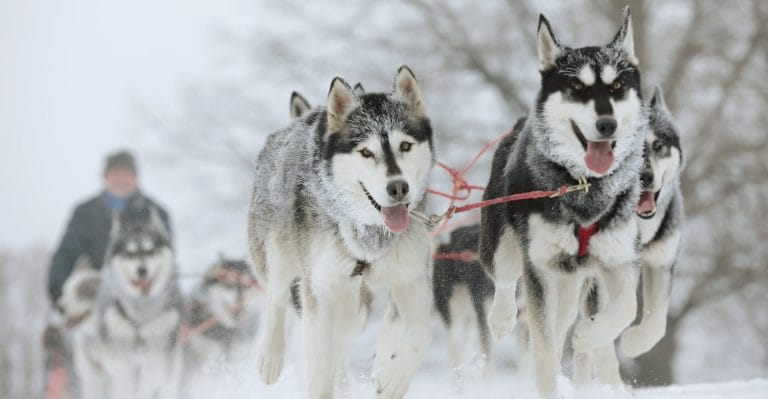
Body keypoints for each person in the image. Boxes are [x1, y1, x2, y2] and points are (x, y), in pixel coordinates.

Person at [43, 150, 172, 398]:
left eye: (127, 174)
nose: (121, 179)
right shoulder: (85, 212)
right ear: (105, 177)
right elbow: (65, 254)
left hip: (144, 302)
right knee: (79, 354)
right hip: (95, 295)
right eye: (115, 174)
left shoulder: (155, 212)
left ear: (136, 177)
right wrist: (58, 290)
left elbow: (166, 262)